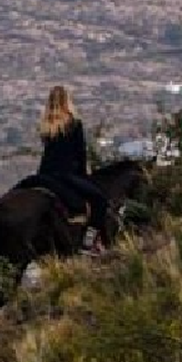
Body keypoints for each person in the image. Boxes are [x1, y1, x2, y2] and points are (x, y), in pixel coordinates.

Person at [37, 84, 112, 252]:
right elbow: (80, 155)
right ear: (67, 101)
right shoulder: (74, 124)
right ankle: (89, 239)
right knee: (99, 200)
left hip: (45, 175)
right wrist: (85, 177)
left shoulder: (45, 126)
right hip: (66, 175)